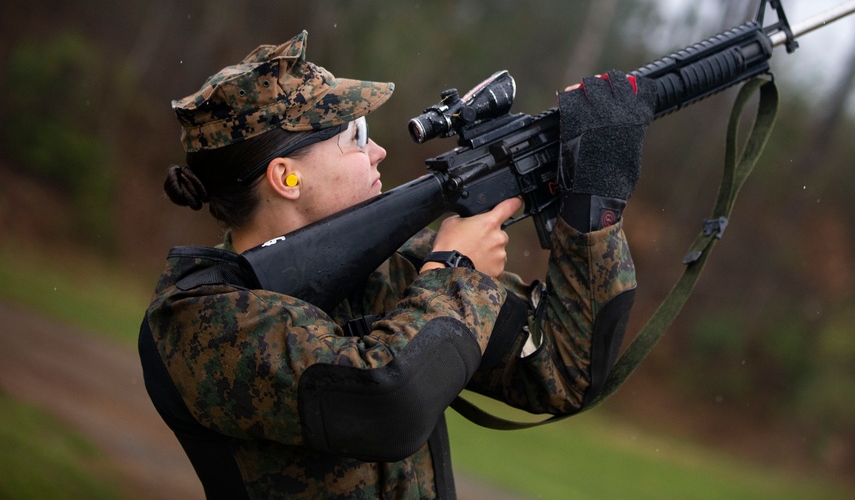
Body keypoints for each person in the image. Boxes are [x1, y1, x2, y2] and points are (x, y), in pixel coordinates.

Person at [138, 30, 655, 499]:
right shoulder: (199, 321)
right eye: (357, 137)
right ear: (286, 177)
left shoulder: (395, 269)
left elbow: (565, 372)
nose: (380, 151)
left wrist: (594, 203)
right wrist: (457, 270)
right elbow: (386, 409)